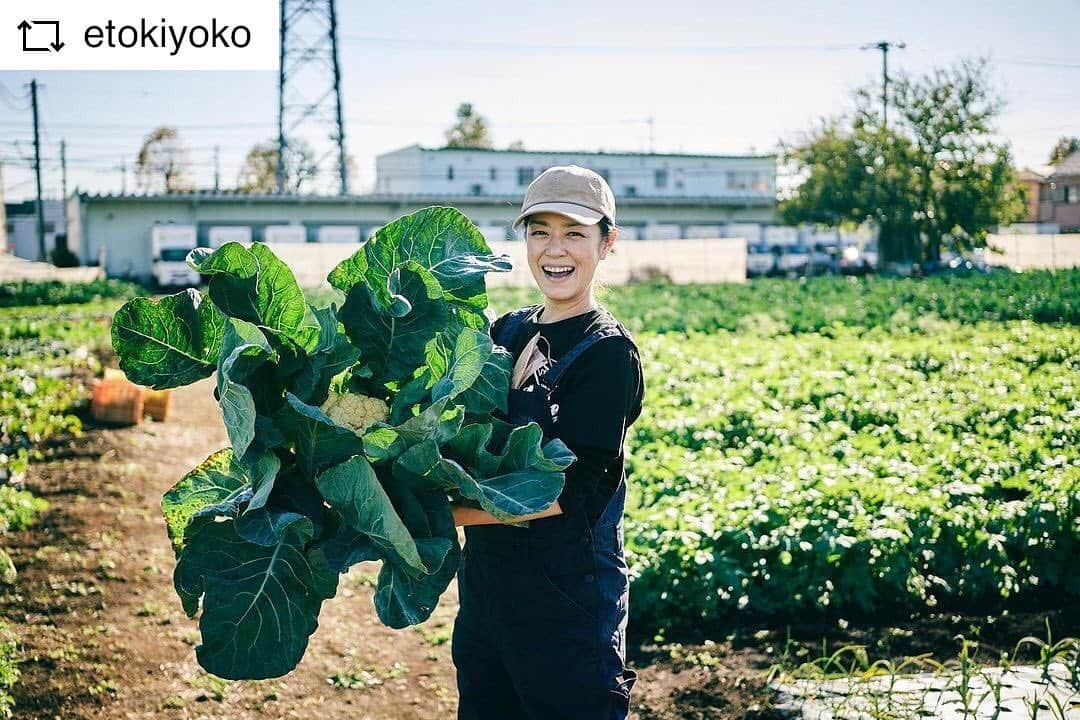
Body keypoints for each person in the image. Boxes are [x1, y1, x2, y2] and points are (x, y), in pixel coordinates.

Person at [450, 165, 646, 720]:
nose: (554, 249)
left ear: (607, 243)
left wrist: (442, 516)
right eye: (540, 231)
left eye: (575, 233)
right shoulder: (505, 332)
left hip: (569, 605)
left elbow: (573, 493)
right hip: (487, 597)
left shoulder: (607, 354)